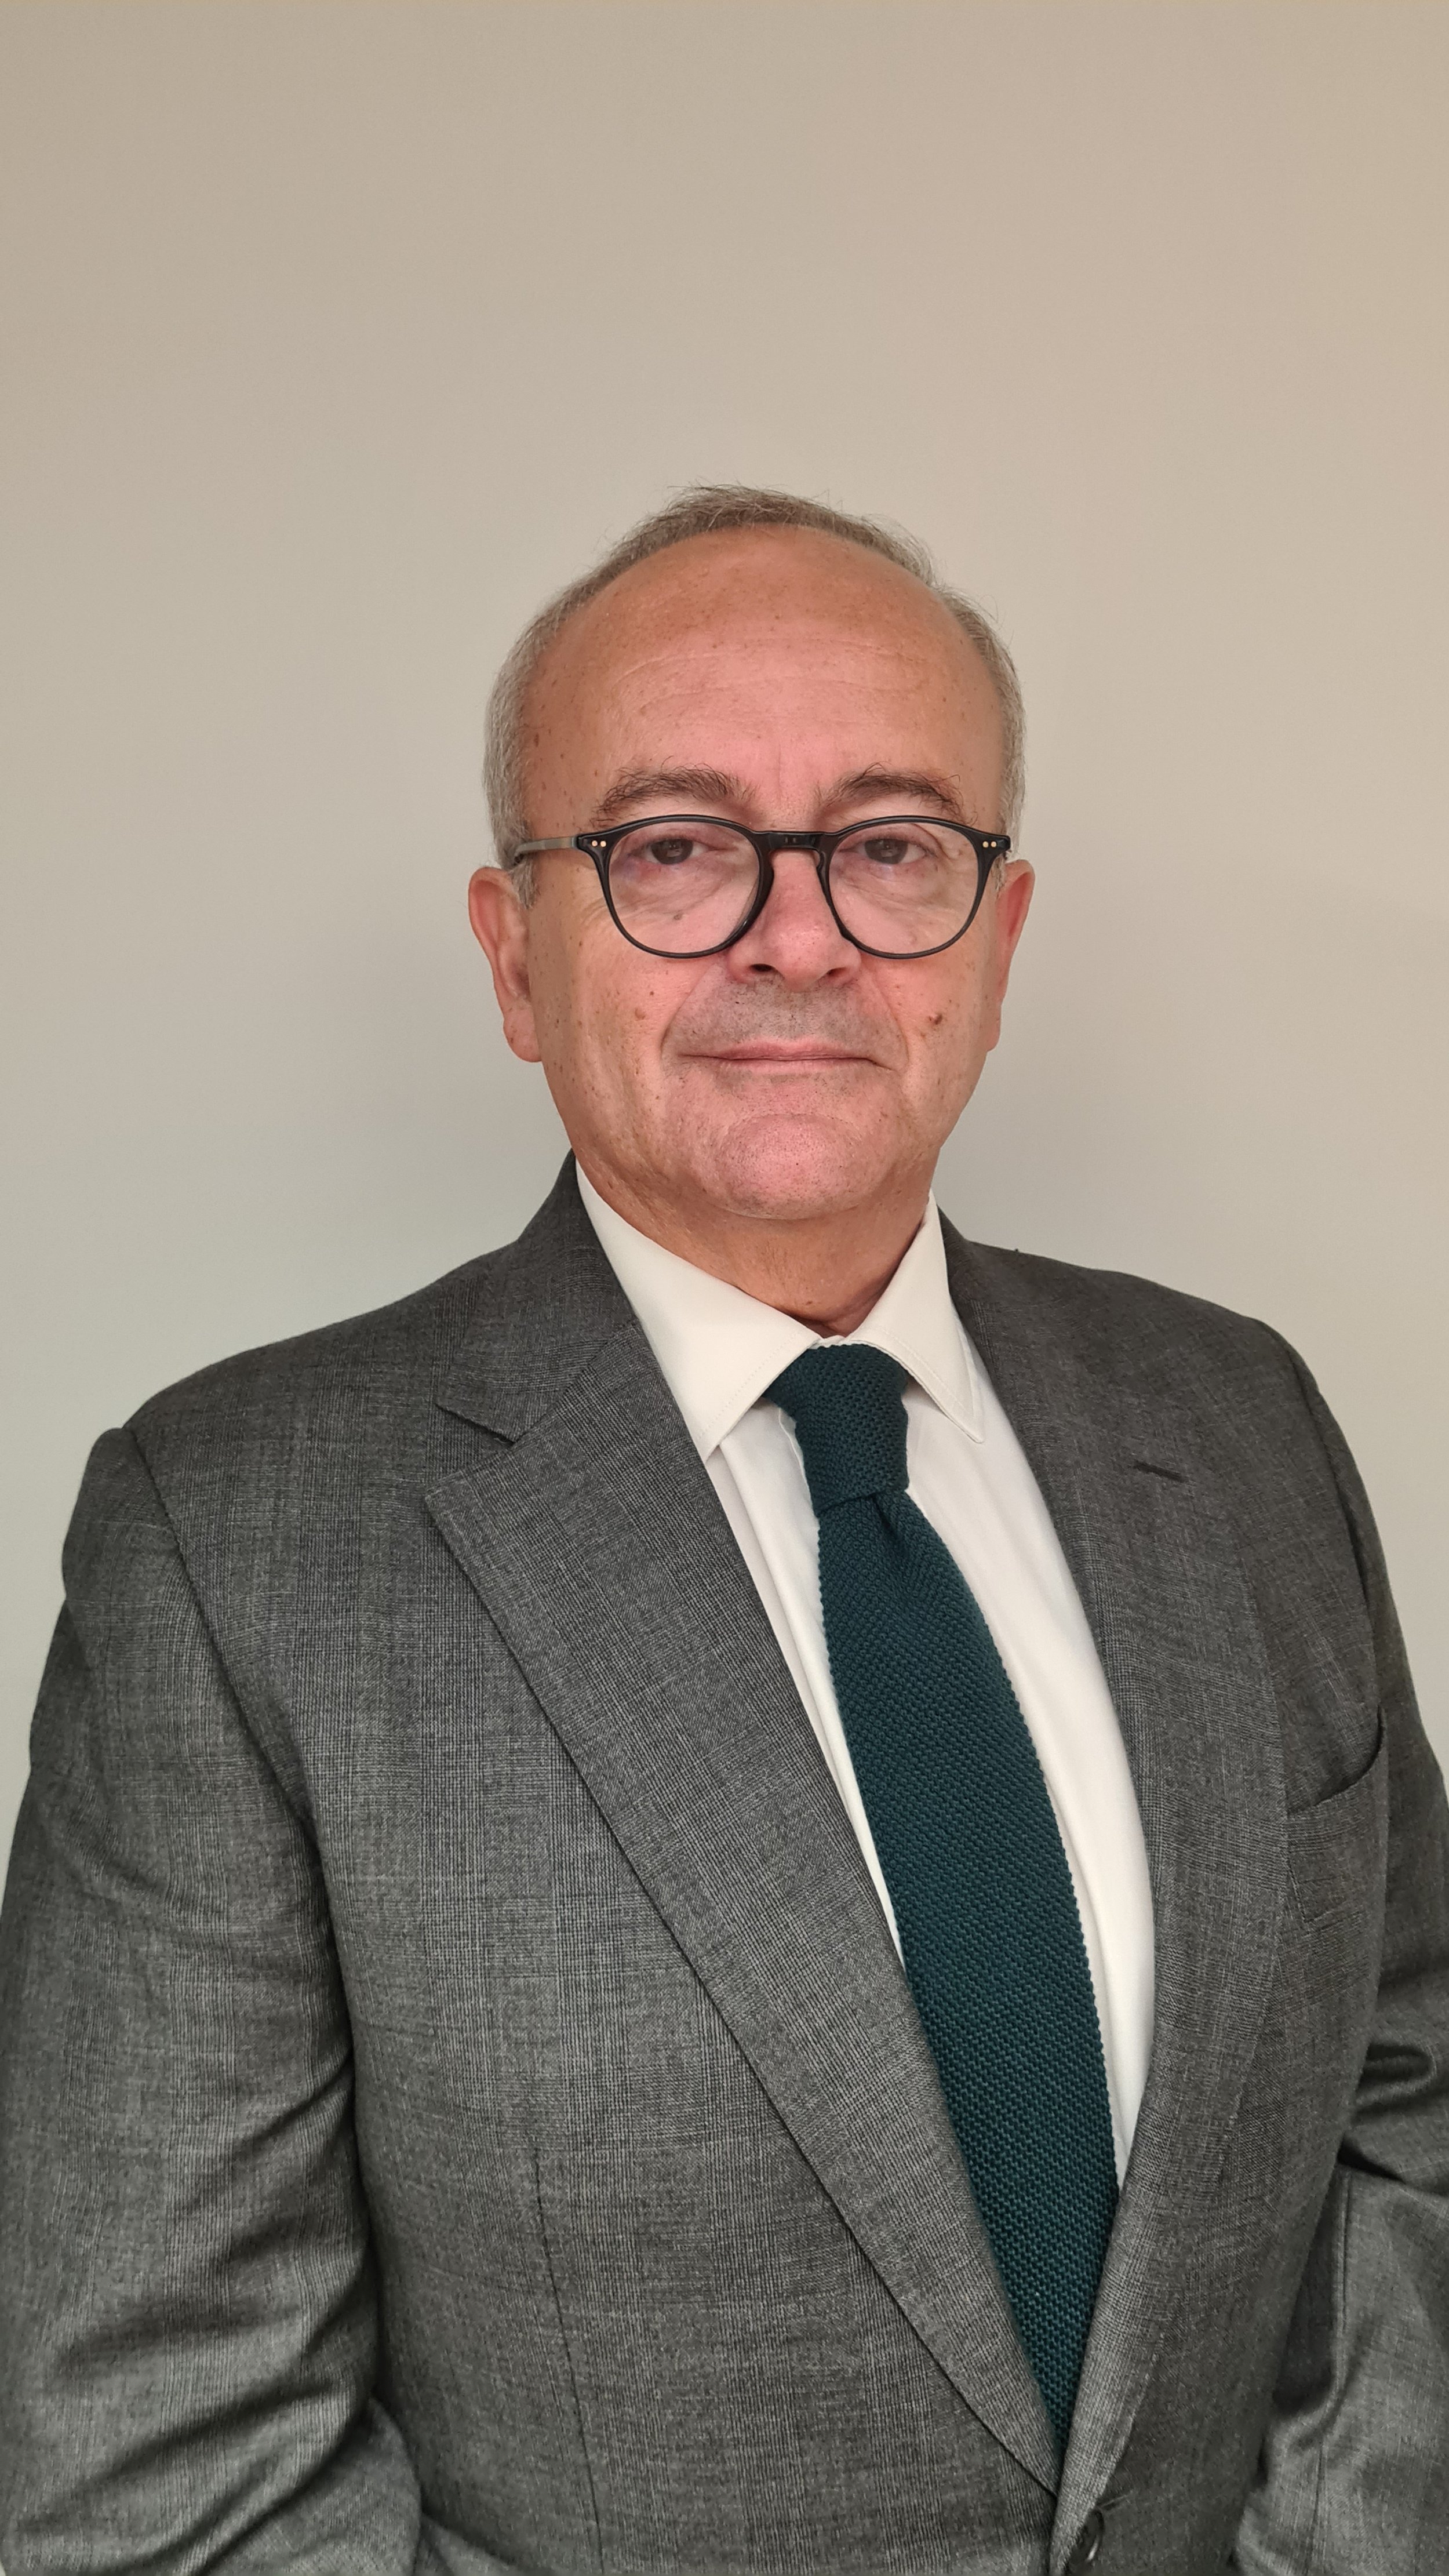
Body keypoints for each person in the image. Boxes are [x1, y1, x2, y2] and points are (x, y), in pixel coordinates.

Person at [1, 485, 1445, 2576]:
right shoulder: (233, 1539)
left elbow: (1409, 2091)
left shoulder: (1237, 1421)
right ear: (515, 955)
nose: (799, 935)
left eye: (890, 846)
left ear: (997, 939)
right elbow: (160, 2454)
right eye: (672, 846)